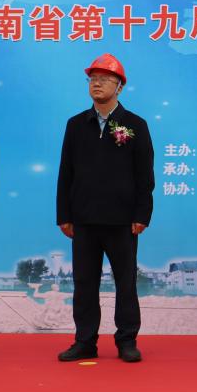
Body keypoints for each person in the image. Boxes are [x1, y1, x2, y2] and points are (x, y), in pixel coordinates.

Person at [56, 54, 154, 363]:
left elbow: (145, 175)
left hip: (122, 220)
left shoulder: (135, 125)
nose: (96, 84)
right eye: (92, 79)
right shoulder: (76, 124)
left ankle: (127, 340)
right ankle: (85, 341)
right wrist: (64, 215)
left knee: (125, 283)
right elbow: (66, 173)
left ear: (120, 86)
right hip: (83, 219)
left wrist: (142, 214)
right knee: (84, 284)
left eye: (104, 79)